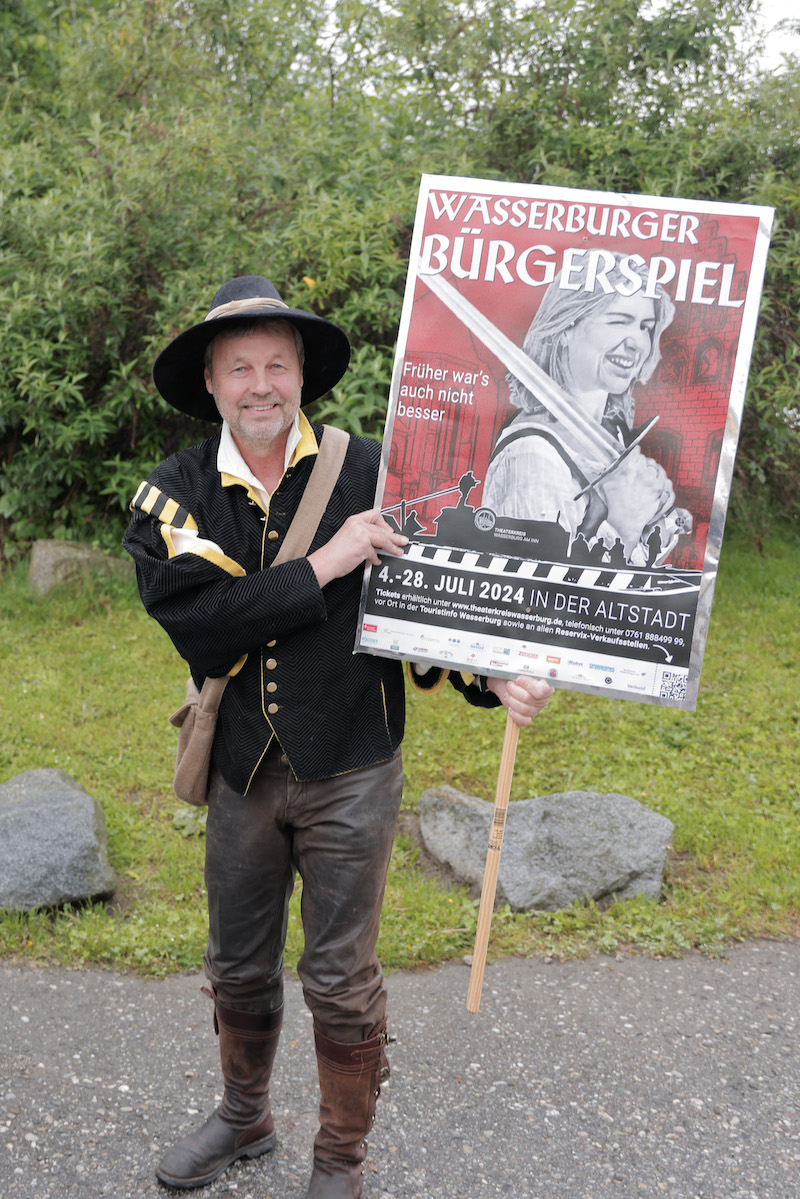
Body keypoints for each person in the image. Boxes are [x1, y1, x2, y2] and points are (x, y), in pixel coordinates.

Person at [123, 275, 553, 1198]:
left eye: (278, 364)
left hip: (356, 759)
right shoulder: (171, 496)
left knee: (340, 976)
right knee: (239, 965)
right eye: (241, 367)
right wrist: (330, 559)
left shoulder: (374, 474)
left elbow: (430, 607)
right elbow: (207, 626)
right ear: (211, 381)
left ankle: (340, 1157)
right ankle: (245, 1115)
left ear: (302, 374)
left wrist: (493, 674)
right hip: (242, 767)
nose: (261, 384)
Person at [482, 254, 691, 567]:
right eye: (619, 321)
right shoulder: (534, 454)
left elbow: (631, 568)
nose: (638, 343)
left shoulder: (609, 439)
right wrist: (625, 523)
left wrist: (655, 519)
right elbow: (531, 585)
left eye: (645, 327)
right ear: (567, 325)